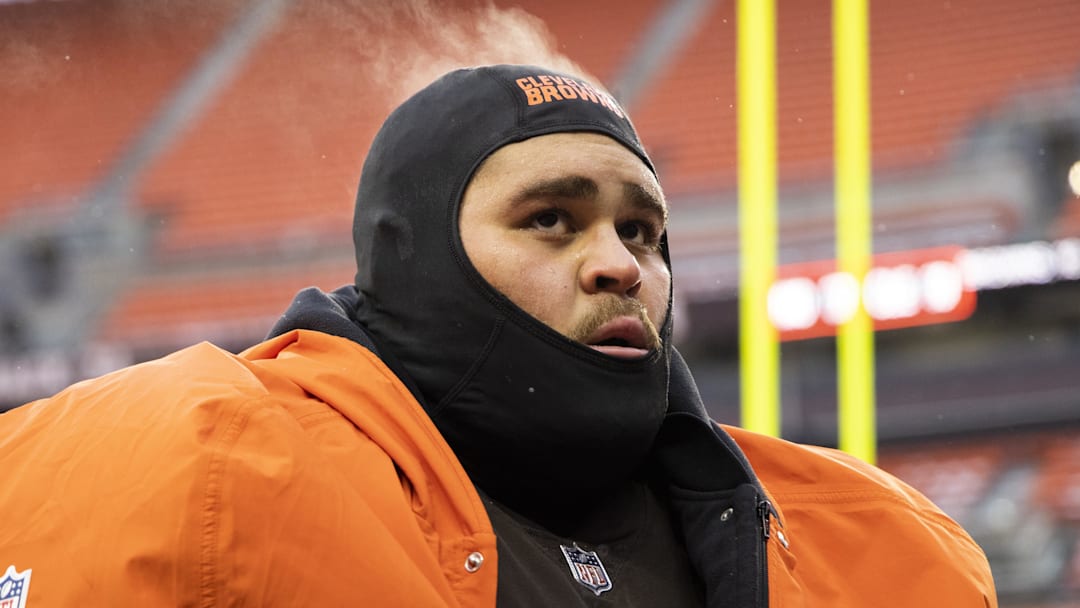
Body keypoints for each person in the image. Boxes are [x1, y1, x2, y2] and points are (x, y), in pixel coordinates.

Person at [0, 64, 996, 607]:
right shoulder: (215, 470)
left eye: (642, 230)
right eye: (550, 219)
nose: (619, 263)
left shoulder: (868, 543)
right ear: (413, 255)